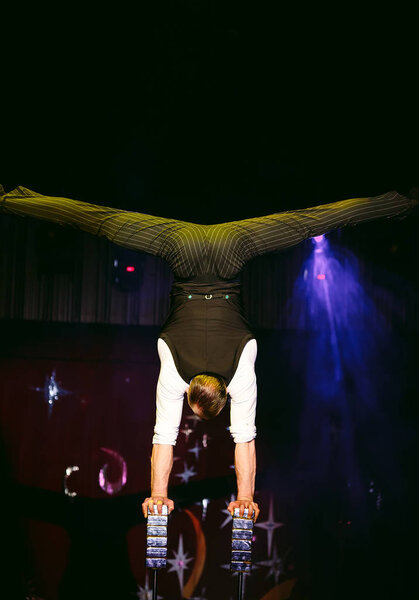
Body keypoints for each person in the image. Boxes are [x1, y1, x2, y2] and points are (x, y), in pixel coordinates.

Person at [1, 185, 417, 523]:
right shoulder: (173, 373)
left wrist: (246, 497)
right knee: (103, 222)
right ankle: (12, 200)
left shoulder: (240, 373)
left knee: (306, 221)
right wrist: (158, 496)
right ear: (192, 395)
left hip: (230, 246)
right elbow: (162, 440)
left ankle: (402, 200)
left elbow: (245, 442)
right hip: (180, 246)